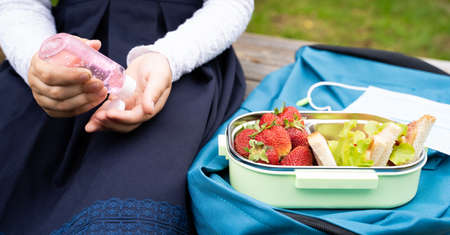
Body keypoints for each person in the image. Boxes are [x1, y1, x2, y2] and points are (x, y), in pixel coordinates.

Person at [0, 0, 253, 233]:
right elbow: (19, 5)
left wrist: (167, 58)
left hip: (180, 56)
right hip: (65, 56)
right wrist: (39, 63)